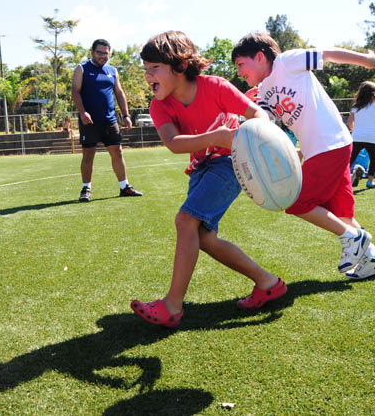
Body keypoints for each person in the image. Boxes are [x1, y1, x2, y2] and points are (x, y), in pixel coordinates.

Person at [130, 31, 286, 328]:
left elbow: (257, 114)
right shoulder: (159, 105)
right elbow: (174, 143)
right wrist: (216, 136)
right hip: (201, 167)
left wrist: (255, 138)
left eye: (154, 68)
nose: (148, 76)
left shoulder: (214, 86)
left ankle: (172, 306)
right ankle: (267, 282)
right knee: (202, 237)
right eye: (146, 69)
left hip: (230, 162)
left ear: (178, 65)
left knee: (185, 221)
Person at [231, 33, 375, 280]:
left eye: (241, 64)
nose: (239, 72)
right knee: (341, 214)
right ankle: (374, 257)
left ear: (260, 57)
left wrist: (366, 59)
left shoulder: (287, 62)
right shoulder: (263, 90)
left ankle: (354, 239)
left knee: (296, 202)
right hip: (324, 148)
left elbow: (328, 54)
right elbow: (264, 124)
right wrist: (246, 106)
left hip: (329, 145)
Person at [71, 39, 142, 202]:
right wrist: (83, 113)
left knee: (117, 152)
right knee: (88, 155)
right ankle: (86, 189)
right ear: (92, 52)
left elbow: (120, 93)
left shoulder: (112, 71)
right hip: (90, 121)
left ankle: (124, 187)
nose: (103, 56)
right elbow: (75, 91)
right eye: (100, 52)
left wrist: (126, 115)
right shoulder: (82, 69)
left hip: (110, 120)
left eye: (106, 53)